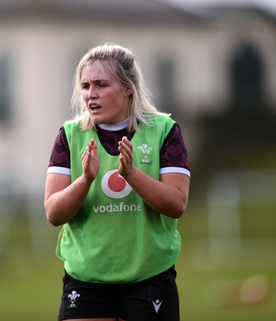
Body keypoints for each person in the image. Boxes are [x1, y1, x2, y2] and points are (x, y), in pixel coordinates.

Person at [44, 43, 190, 321]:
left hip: (149, 276)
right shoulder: (70, 135)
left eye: (101, 84)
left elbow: (176, 204)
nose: (90, 94)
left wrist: (132, 174)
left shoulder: (164, 131)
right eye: (85, 86)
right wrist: (86, 179)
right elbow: (54, 213)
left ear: (127, 88)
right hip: (85, 279)